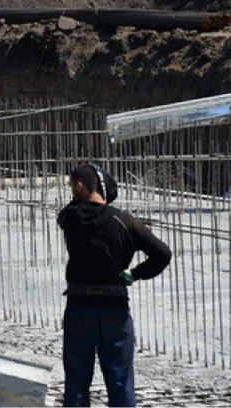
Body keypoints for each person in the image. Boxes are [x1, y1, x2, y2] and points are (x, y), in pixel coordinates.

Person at [58, 164, 172, 407]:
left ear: (79, 187)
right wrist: (135, 273)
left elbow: (69, 210)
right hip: (114, 310)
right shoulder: (124, 222)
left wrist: (79, 196)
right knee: (120, 382)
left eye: (73, 187)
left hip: (79, 309)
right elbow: (162, 253)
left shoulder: (69, 219)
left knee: (77, 383)